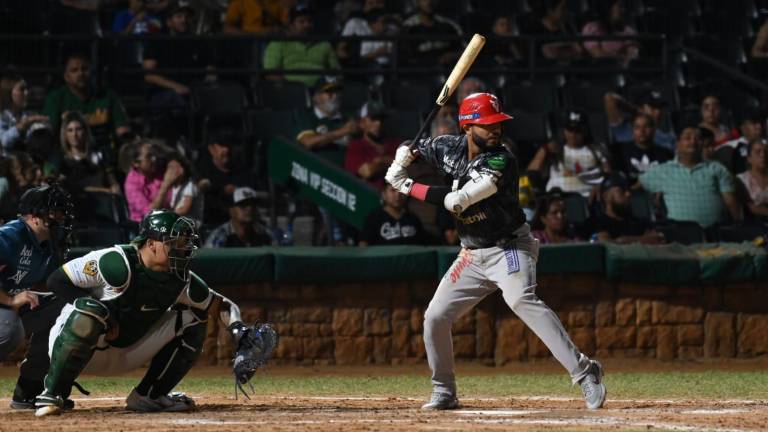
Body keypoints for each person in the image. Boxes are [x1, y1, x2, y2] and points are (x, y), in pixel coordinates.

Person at [384, 92, 606, 410]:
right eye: (487, 124)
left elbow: (457, 201)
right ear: (467, 126)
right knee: (434, 317)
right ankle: (444, 390)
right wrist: (402, 156)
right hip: (472, 254)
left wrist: (405, 185)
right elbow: (413, 146)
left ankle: (585, 372)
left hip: (509, 247)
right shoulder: (447, 146)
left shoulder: (502, 160)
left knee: (520, 299)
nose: (495, 129)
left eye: (498, 123)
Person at [32, 210, 278, 416]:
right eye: (174, 243)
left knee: (194, 317)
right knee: (90, 311)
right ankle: (53, 393)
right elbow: (57, 280)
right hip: (81, 346)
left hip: (126, 352)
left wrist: (238, 329)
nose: (182, 249)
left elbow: (220, 304)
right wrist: (101, 312)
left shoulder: (179, 280)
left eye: (184, 243)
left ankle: (149, 396)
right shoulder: (115, 262)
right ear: (151, 244)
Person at [0, 186, 76, 410]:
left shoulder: (47, 243)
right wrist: (10, 301)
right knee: (8, 327)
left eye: (62, 213)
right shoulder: (10, 236)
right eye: (54, 213)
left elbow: (41, 284)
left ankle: (29, 389)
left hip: (9, 305)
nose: (60, 218)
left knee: (65, 309)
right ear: (33, 217)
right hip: (4, 306)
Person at [639, 127, 742, 228]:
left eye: (698, 138)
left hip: (716, 232)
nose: (693, 142)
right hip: (679, 233)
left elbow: (730, 201)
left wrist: (740, 226)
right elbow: (636, 187)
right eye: (688, 138)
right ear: (678, 144)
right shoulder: (663, 170)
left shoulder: (717, 168)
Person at [42, 54, 131, 161]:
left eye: (85, 69)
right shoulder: (55, 99)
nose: (80, 73)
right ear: (66, 77)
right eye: (74, 70)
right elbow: (48, 133)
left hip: (104, 155)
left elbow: (123, 132)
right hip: (68, 158)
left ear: (92, 72)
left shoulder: (108, 97)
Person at [527, 109, 611, 199]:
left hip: (587, 197)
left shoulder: (596, 149)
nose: (573, 134)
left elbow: (608, 175)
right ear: (564, 130)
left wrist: (602, 187)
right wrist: (545, 149)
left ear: (585, 130)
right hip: (557, 197)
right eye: (570, 129)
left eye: (577, 130)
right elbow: (532, 173)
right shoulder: (556, 150)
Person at [262, 5, 340, 87]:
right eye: (301, 22)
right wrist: (288, 88)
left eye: (310, 21)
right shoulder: (278, 44)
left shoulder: (325, 44)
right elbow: (270, 73)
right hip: (290, 90)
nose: (307, 25)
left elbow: (336, 72)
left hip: (321, 90)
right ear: (291, 25)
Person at [295, 80, 359, 166]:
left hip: (347, 171)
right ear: (315, 97)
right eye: (329, 92)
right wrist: (343, 131)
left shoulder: (348, 119)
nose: (335, 96)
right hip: (318, 169)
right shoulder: (306, 115)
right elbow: (307, 142)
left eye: (337, 92)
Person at [58, 112, 121, 195]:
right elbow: (75, 188)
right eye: (70, 130)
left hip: (104, 200)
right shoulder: (63, 161)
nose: (74, 134)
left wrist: (115, 188)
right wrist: (105, 191)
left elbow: (112, 181)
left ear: (85, 131)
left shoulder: (99, 154)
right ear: (65, 134)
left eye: (78, 129)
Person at [198, 129, 252, 225]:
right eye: (222, 145)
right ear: (211, 149)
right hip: (211, 225)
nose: (226, 150)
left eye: (229, 145)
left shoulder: (243, 170)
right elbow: (199, 187)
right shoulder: (202, 170)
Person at [593, 173, 664, 244]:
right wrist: (644, 240)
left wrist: (623, 240)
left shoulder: (640, 222)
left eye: (628, 190)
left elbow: (657, 240)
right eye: (621, 190)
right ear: (606, 197)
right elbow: (607, 245)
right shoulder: (599, 224)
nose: (628, 194)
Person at [345, 101, 399, 189]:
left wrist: (380, 161)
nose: (378, 123)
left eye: (382, 119)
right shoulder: (356, 146)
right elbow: (367, 172)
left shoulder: (395, 144)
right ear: (362, 123)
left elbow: (409, 165)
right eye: (374, 119)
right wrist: (392, 162)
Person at [124, 141, 183, 222]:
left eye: (153, 155)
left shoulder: (158, 171)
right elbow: (150, 214)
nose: (154, 159)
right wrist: (165, 185)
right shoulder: (131, 184)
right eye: (148, 156)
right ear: (136, 163)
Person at [603, 90, 676, 151]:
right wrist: (635, 110)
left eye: (660, 107)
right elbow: (609, 99)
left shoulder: (668, 136)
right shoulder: (625, 130)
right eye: (653, 107)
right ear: (641, 109)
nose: (658, 112)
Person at [612, 113, 673, 185]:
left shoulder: (666, 153)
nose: (642, 131)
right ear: (632, 130)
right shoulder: (620, 150)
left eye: (646, 126)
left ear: (654, 129)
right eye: (637, 127)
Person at [401, 0, 463, 68]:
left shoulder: (450, 26)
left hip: (448, 71)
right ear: (418, 2)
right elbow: (404, 59)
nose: (429, 2)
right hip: (418, 72)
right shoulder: (408, 28)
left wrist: (452, 56)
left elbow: (464, 50)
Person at [205, 187, 273, 247]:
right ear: (231, 211)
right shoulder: (219, 237)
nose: (249, 208)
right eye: (243, 204)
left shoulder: (266, 235)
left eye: (253, 205)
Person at [359, 184, 427, 246]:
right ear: (384, 194)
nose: (398, 195)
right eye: (393, 190)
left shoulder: (413, 219)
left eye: (401, 191)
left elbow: (423, 245)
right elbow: (363, 245)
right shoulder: (374, 218)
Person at [0, 71, 49, 154]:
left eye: (26, 89)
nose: (27, 93)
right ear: (8, 92)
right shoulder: (2, 117)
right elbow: (3, 141)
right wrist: (23, 125)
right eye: (21, 89)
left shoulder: (30, 115)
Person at [581, 0, 638, 65]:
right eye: (619, 6)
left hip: (624, 69)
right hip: (602, 68)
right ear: (607, 9)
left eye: (622, 6)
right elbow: (598, 55)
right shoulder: (591, 28)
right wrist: (619, 55)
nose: (622, 9)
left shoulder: (627, 30)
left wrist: (623, 61)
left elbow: (632, 53)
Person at [168, 155, 204, 227]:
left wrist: (168, 215)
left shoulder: (190, 185)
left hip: (190, 224)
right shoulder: (172, 186)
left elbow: (185, 209)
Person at [737, 139, 768, 219]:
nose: (763, 155)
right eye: (758, 152)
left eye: (765, 152)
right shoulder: (742, 179)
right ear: (749, 158)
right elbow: (749, 206)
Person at [223, 0, 289, 34]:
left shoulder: (276, 2)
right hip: (247, 44)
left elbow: (287, 26)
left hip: (272, 42)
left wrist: (278, 30)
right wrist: (247, 36)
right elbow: (227, 28)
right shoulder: (240, 2)